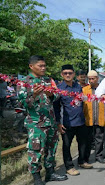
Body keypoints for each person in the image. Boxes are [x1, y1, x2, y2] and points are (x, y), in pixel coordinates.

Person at [17, 55, 67, 185]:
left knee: (52, 148)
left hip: (50, 121)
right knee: (35, 150)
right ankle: (37, 178)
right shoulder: (24, 82)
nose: (44, 68)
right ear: (31, 66)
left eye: (44, 66)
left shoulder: (48, 80)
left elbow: (56, 96)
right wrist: (33, 95)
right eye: (40, 66)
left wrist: (51, 95)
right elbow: (22, 104)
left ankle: (50, 173)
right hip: (36, 124)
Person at [54, 65, 92, 176]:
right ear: (62, 74)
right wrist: (58, 123)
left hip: (80, 121)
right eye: (65, 73)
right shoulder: (59, 88)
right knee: (66, 145)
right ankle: (69, 166)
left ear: (74, 74)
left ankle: (82, 161)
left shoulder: (78, 86)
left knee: (83, 143)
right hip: (67, 123)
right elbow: (56, 107)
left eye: (70, 73)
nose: (68, 75)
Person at [82, 70, 105, 164]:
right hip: (88, 118)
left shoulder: (103, 89)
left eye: (93, 78)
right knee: (88, 140)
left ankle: (99, 156)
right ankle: (86, 157)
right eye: (89, 79)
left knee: (99, 138)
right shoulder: (85, 90)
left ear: (97, 78)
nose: (91, 81)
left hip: (100, 118)